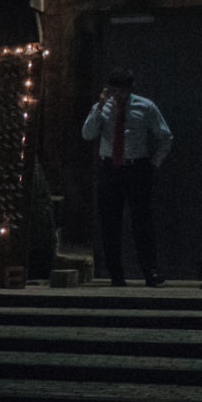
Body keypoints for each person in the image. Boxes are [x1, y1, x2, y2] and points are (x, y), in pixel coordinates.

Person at [82, 67, 173, 287]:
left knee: (142, 221)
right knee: (110, 222)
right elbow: (87, 134)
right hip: (110, 168)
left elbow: (165, 136)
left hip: (136, 167)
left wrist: (153, 163)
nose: (119, 96)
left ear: (130, 91)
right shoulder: (102, 108)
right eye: (115, 92)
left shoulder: (145, 107)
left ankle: (150, 271)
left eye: (123, 92)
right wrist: (100, 107)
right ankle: (115, 274)